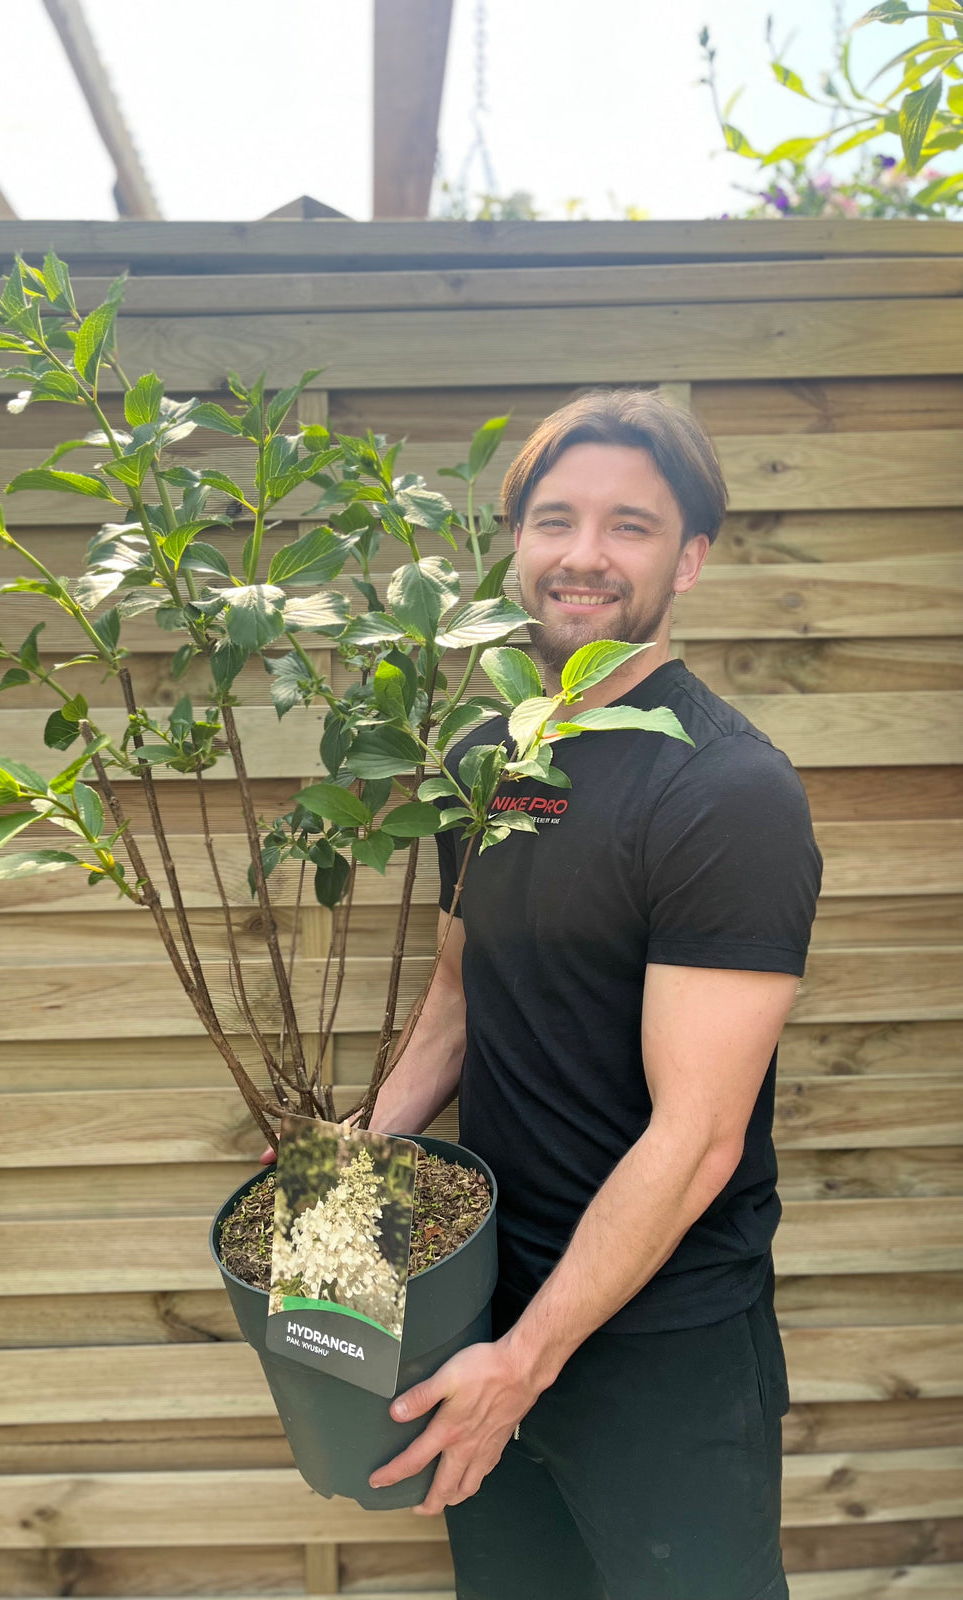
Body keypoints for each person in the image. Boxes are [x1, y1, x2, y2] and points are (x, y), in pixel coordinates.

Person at [365, 389, 822, 1600]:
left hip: (658, 1352)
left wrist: (529, 1358)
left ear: (692, 558)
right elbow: (460, 998)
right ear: (515, 542)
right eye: (555, 519)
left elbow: (700, 1132)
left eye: (630, 525)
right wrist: (349, 1169)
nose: (583, 554)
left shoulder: (727, 791)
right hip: (485, 1314)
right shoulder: (491, 761)